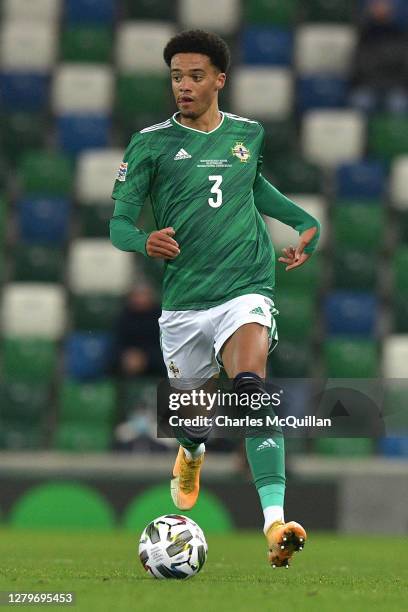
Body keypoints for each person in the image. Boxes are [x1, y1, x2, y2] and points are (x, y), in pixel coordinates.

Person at [110, 30, 320, 568]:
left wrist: (302, 222)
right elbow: (117, 224)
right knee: (193, 419)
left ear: (219, 79)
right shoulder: (150, 142)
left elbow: (252, 187)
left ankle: (275, 525)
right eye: (176, 76)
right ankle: (191, 450)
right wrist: (143, 240)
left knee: (252, 390)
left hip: (245, 287)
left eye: (195, 75)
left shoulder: (247, 133)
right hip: (185, 303)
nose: (183, 85)